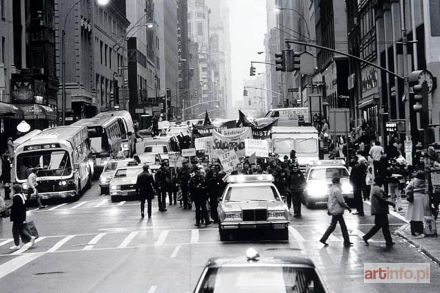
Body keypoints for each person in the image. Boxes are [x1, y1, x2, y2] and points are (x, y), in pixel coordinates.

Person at [362, 176, 395, 247]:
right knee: (384, 226)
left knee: (380, 226)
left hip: (377, 210)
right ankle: (388, 241)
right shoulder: (378, 189)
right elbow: (382, 199)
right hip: (380, 210)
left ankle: (389, 241)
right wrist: (391, 203)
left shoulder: (374, 188)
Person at [320, 176, 352, 247]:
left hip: (334, 209)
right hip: (337, 210)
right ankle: (346, 242)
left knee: (334, 226)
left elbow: (329, 200)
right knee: (340, 226)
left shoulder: (331, 189)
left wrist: (329, 208)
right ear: (338, 181)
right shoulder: (337, 190)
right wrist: (347, 207)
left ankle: (324, 239)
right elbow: (341, 201)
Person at [10, 184, 35, 250]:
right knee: (20, 229)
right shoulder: (21, 195)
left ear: (14, 190)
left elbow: (16, 208)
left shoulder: (16, 197)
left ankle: (19, 243)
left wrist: (11, 213)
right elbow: (23, 206)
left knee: (15, 230)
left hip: (18, 217)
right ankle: (29, 238)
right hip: (21, 216)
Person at [405, 171, 429, 238]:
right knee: (420, 215)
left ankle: (413, 231)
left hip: (414, 198)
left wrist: (408, 194)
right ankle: (420, 231)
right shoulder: (425, 182)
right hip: (422, 198)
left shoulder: (413, 181)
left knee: (413, 215)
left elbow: (407, 189)